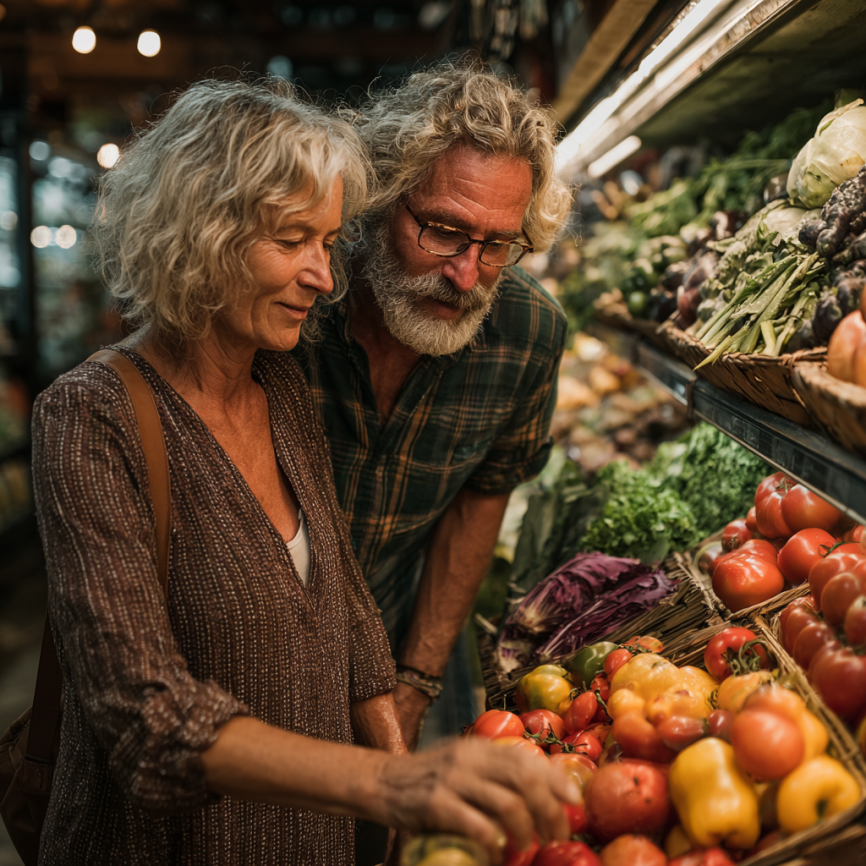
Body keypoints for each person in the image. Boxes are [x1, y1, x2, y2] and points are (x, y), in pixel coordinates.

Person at [30, 77, 577, 865]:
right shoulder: (90, 418)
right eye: (295, 242)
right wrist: (389, 786)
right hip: (173, 835)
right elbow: (145, 718)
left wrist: (401, 754)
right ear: (202, 233)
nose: (325, 277)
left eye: (497, 245)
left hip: (313, 816)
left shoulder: (278, 383)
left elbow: (350, 603)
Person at [295, 61, 572, 748]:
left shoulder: (527, 336)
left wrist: (416, 681)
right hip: (249, 654)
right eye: (444, 231)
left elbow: (482, 497)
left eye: (498, 244)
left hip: (391, 640)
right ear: (383, 197)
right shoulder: (295, 307)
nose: (466, 274)